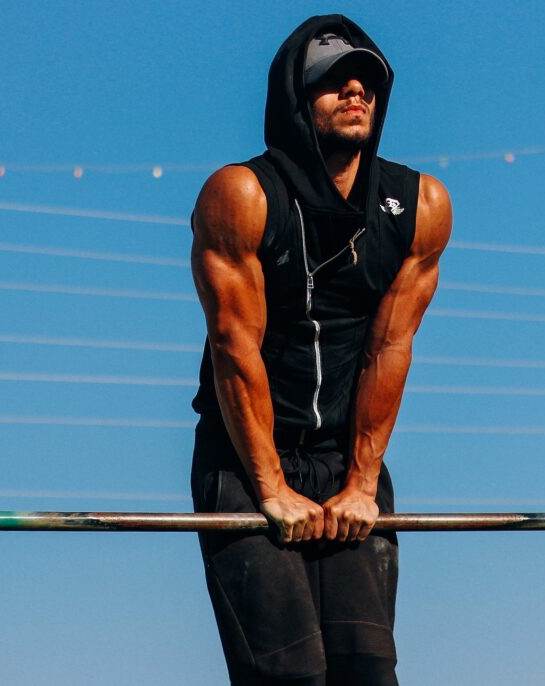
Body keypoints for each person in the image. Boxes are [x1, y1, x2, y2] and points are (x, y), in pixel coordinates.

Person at [188, 14, 452, 686]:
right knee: (291, 675)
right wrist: (271, 488)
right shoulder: (241, 195)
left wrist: (362, 484)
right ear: (296, 100)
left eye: (366, 81)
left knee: (368, 671)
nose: (356, 91)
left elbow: (390, 347)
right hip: (246, 460)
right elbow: (233, 345)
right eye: (334, 82)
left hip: (346, 460)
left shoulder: (419, 204)